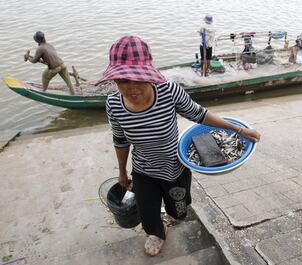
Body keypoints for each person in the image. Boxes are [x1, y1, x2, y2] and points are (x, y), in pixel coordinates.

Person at [97, 36, 260, 256]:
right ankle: (157, 232)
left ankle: (173, 215)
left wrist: (238, 130)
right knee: (147, 212)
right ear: (115, 80)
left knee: (179, 209)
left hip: (176, 168)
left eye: (139, 80)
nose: (132, 87)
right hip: (144, 170)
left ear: (149, 76)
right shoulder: (114, 104)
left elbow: (200, 115)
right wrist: (122, 172)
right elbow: (120, 140)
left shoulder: (169, 92)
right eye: (124, 81)